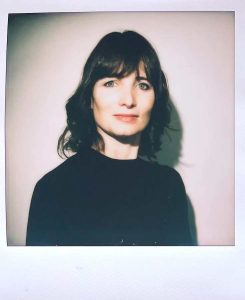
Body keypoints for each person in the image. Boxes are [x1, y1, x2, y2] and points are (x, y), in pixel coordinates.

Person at [26, 30, 193, 246]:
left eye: (142, 85)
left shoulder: (169, 185)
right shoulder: (52, 189)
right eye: (111, 83)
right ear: (89, 98)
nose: (128, 100)